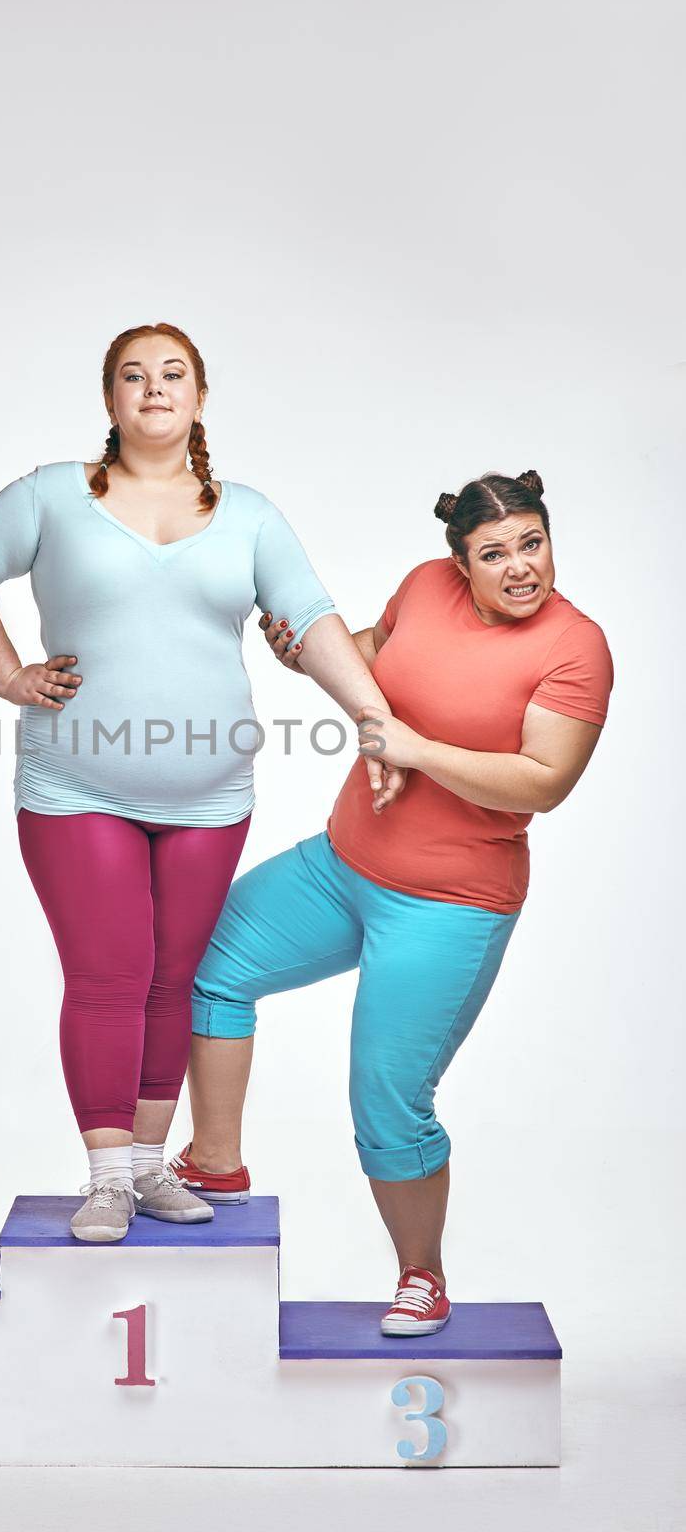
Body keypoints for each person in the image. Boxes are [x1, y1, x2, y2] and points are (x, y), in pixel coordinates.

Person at [0, 322, 403, 1242]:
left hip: (212, 797)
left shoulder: (252, 514)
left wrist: (373, 719)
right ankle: (107, 1176)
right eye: (133, 375)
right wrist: (6, 675)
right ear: (109, 397)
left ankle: (151, 1169)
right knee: (110, 974)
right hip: (77, 788)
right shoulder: (52, 497)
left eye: (172, 373)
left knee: (172, 979)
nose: (154, 388)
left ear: (200, 395)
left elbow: (309, 616)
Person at [169, 470, 613, 1332]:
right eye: (495, 553)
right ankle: (215, 1160)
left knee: (387, 1098)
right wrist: (298, 650)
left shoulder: (575, 647)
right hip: (342, 866)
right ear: (460, 562)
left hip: (449, 906)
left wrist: (415, 745)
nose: (520, 567)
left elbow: (543, 780)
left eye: (532, 544)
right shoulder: (423, 585)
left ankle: (421, 1276)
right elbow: (371, 657)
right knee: (209, 966)